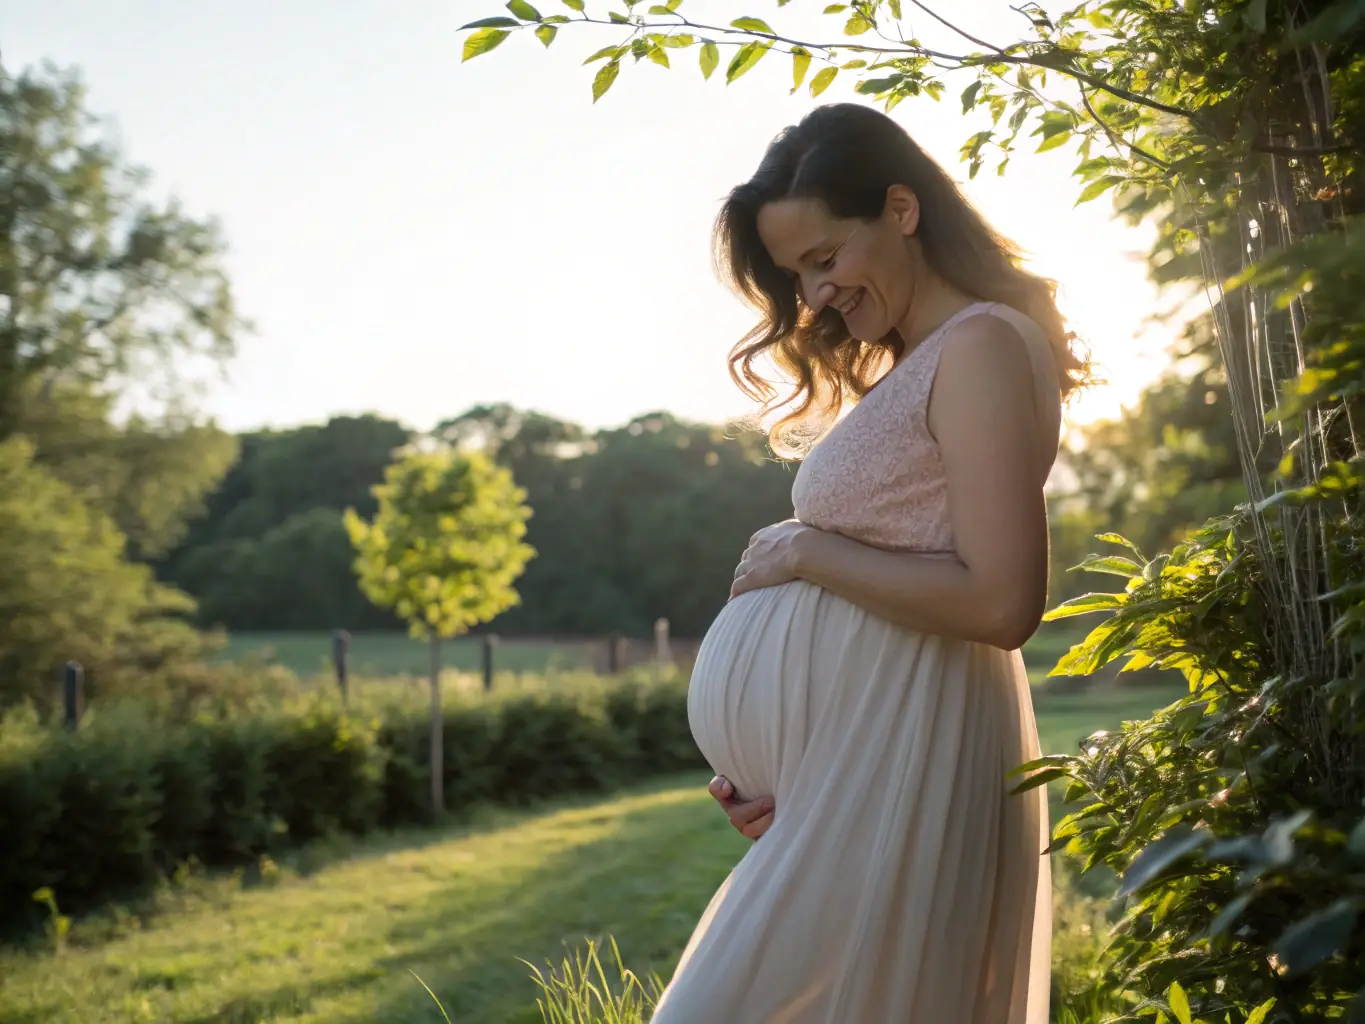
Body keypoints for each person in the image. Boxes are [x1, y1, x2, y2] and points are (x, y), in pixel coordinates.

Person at [648, 103, 1089, 1023]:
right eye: (794, 275)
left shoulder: (980, 345)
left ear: (900, 209)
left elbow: (1001, 601)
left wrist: (806, 550)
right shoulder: (922, 361)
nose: (812, 298)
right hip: (853, 769)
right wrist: (779, 764)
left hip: (909, 758)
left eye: (822, 260)